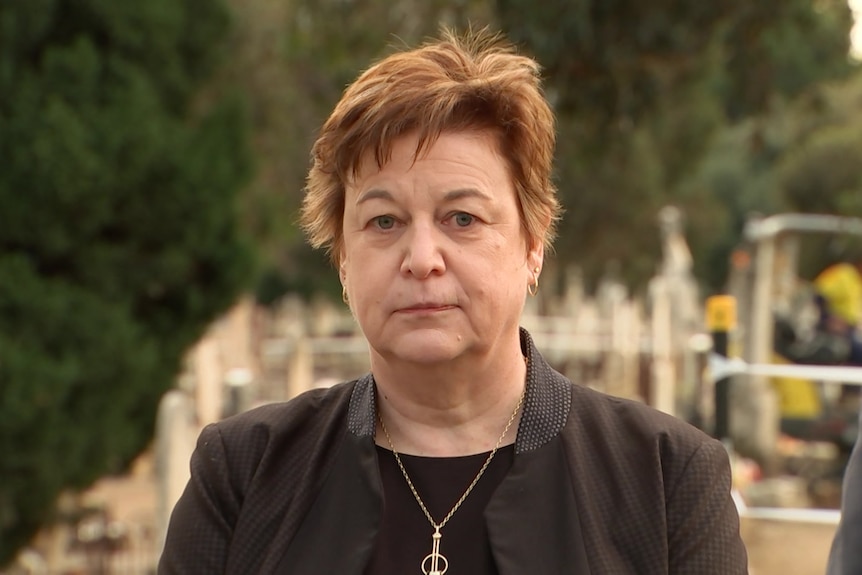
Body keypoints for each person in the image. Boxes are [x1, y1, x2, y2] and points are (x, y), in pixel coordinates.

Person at [158, 27, 748, 574]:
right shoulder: (243, 474)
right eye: (383, 221)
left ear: (533, 246)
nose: (421, 257)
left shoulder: (667, 479)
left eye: (462, 218)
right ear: (342, 257)